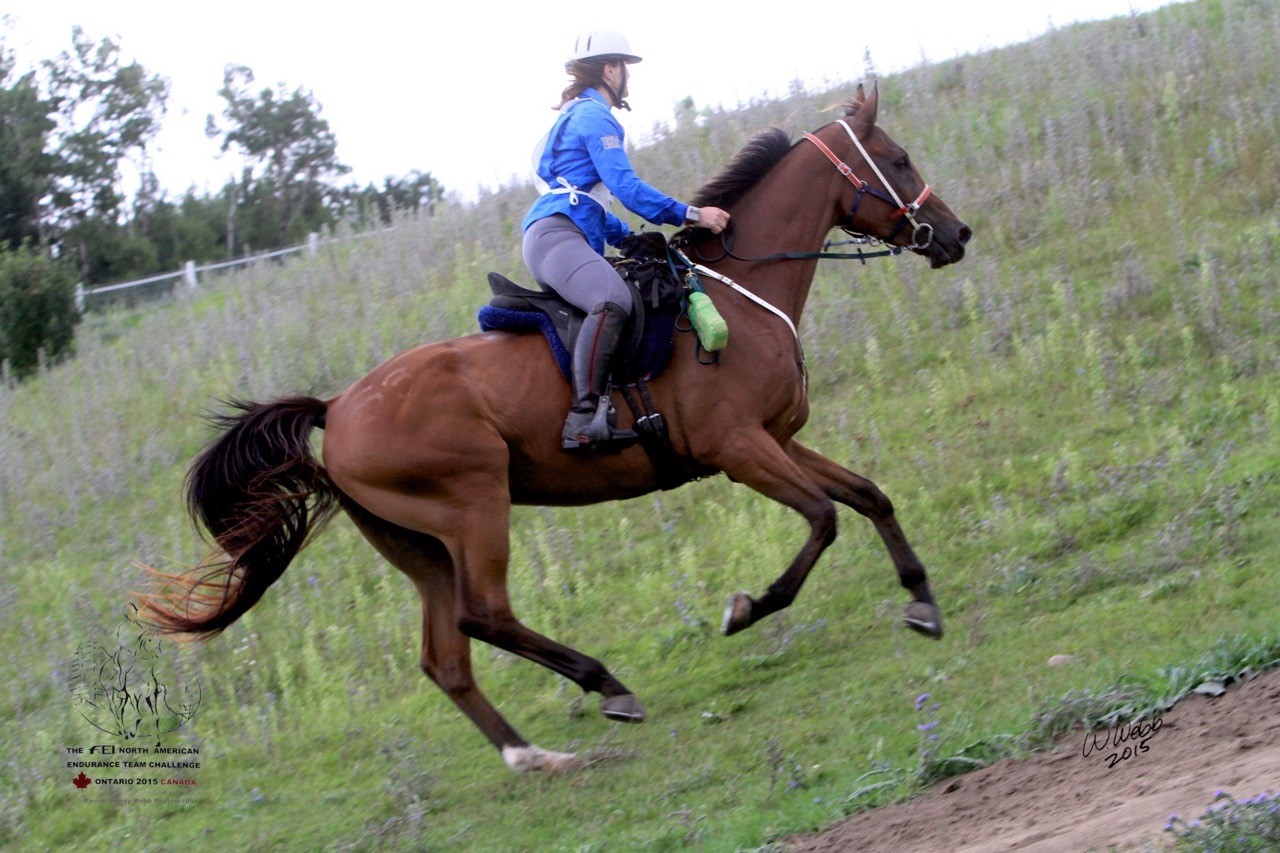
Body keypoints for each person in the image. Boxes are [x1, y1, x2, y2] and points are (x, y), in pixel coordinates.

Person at [522, 28, 731, 451]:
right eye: (625, 69)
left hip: (564, 232)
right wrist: (693, 214)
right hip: (556, 234)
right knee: (611, 299)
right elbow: (628, 189)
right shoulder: (594, 117)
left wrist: (630, 241)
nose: (627, 79)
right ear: (610, 69)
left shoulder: (577, 113)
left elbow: (593, 206)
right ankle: (582, 419)